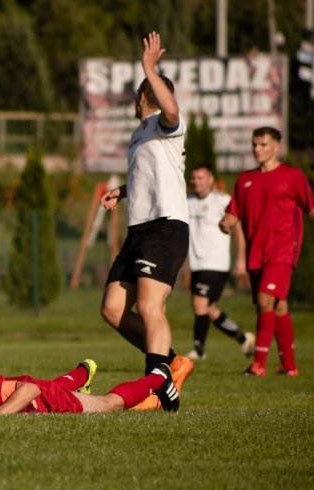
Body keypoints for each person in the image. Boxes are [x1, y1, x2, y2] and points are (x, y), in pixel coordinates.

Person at [98, 31, 193, 401]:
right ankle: (168, 364)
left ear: (141, 96)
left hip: (166, 227)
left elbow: (171, 110)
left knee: (148, 306)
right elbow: (150, 175)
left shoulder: (165, 126)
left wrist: (149, 69)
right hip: (139, 230)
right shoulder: (139, 136)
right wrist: (122, 191)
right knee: (111, 308)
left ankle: (156, 390)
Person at [220, 127, 314, 376]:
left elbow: (313, 210)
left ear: (277, 147)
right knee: (278, 306)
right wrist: (225, 222)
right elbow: (233, 212)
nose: (257, 149)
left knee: (264, 301)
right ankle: (289, 366)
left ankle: (258, 363)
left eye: (263, 144)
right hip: (256, 252)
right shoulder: (245, 179)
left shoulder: (293, 176)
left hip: (281, 250)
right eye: (255, 145)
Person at [0, 345, 189, 414]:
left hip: (43, 400)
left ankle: (159, 376)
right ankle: (81, 374)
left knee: (107, 404)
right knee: (54, 383)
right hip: (30, 391)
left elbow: (30, 390)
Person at [185, 164, 255, 360]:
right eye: (194, 178)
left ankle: (198, 350)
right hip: (196, 263)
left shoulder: (222, 201)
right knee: (208, 309)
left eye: (200, 178)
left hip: (216, 263)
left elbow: (238, 227)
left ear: (210, 180)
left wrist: (241, 258)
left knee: (200, 303)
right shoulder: (187, 201)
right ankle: (243, 338)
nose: (196, 182)